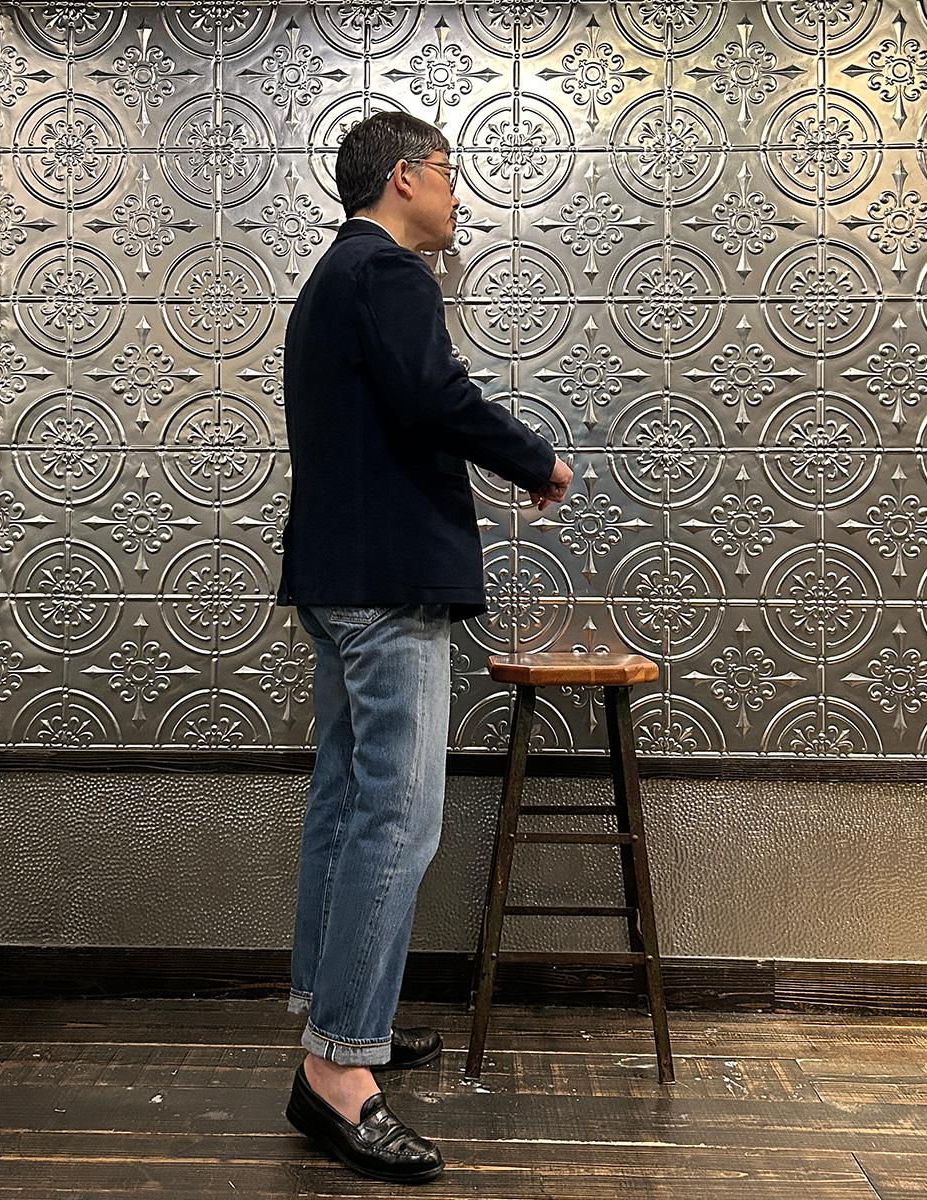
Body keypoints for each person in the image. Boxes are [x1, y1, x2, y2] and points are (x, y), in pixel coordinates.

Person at [276, 111, 573, 1184]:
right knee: (398, 819)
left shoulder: (330, 278)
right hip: (389, 584)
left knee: (347, 804)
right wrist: (536, 460)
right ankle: (338, 1072)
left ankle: (339, 1016)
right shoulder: (390, 272)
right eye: (449, 173)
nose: (457, 195)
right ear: (404, 177)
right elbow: (437, 397)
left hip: (335, 581)